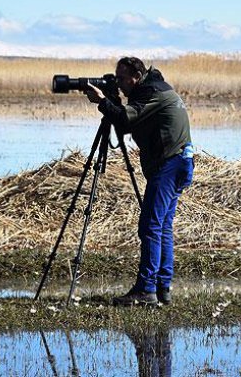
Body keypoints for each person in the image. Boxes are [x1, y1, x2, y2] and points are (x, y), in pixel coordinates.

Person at [84, 56, 193, 306]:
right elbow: (125, 126)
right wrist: (112, 103)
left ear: (135, 76)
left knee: (150, 227)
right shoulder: (152, 89)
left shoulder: (152, 93)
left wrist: (103, 102)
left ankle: (146, 289)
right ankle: (162, 288)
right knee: (162, 227)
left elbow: (124, 120)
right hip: (178, 163)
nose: (119, 83)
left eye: (121, 78)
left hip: (170, 165)